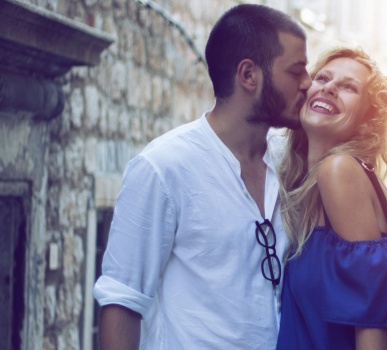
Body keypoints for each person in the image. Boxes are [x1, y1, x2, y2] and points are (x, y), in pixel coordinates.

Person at [92, 4, 311, 349]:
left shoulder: (292, 164)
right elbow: (122, 300)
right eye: (296, 71)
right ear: (249, 75)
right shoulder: (163, 167)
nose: (308, 83)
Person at [276, 47, 387, 350]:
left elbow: (371, 322)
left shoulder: (340, 172)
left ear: (367, 119)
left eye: (349, 87)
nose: (329, 88)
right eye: (323, 78)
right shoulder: (308, 182)